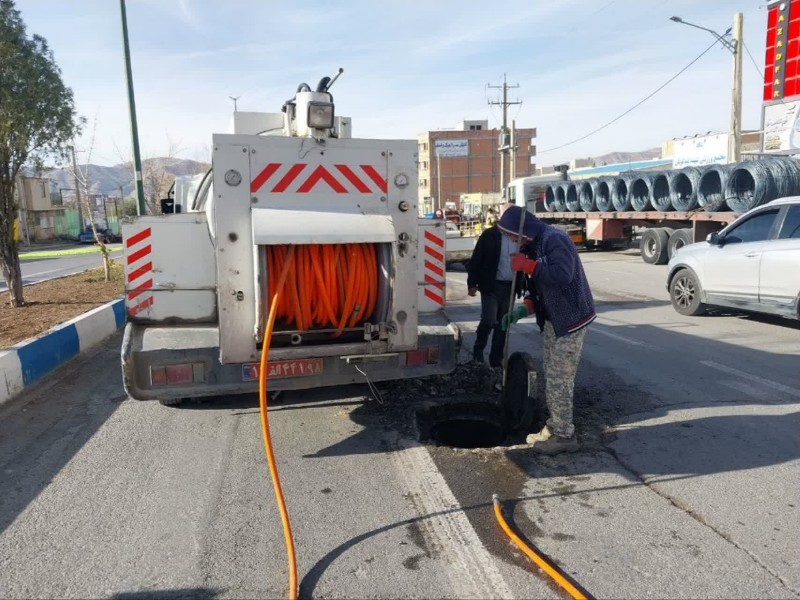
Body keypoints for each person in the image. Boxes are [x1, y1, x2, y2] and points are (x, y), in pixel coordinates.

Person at [498, 204, 596, 455]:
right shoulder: (530, 246)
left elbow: (562, 276)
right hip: (554, 320)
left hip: (571, 319)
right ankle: (554, 425)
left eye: (511, 234)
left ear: (523, 230)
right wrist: (524, 308)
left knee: (559, 379)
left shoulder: (555, 239)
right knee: (552, 374)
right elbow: (537, 287)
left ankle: (564, 436)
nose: (510, 239)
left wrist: (529, 266)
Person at [467, 206, 520, 368]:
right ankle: (478, 351)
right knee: (489, 320)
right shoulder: (489, 235)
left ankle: (496, 359)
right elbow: (476, 259)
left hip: (510, 288)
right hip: (491, 286)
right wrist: (472, 283)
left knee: (503, 325)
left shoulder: (519, 238)